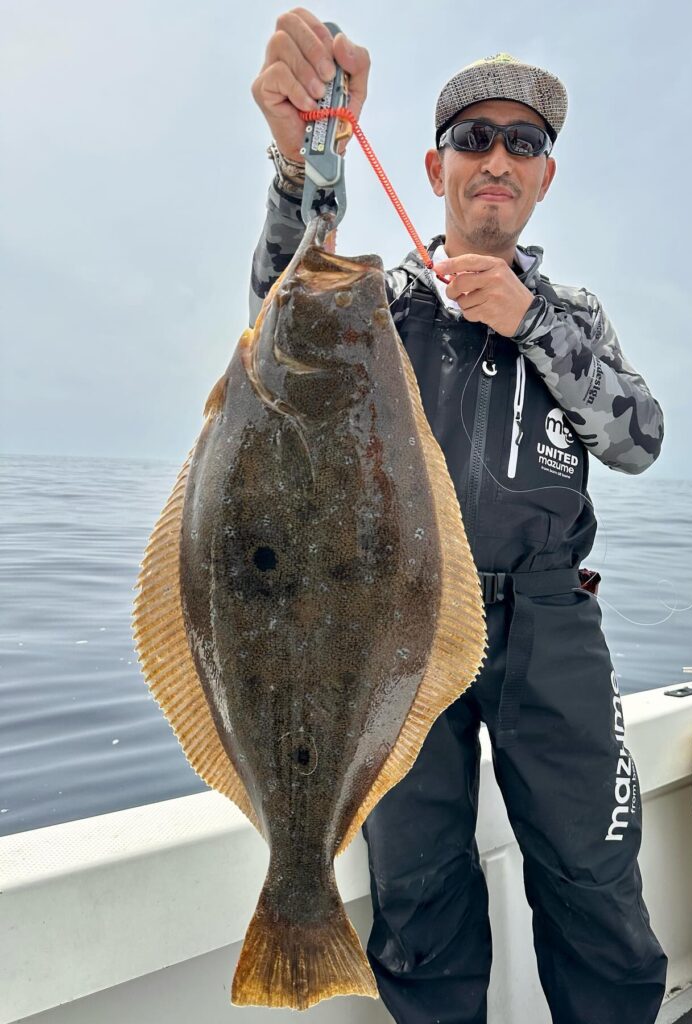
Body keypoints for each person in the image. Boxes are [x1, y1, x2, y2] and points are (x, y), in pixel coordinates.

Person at [248, 10, 668, 1024]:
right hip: (397, 627)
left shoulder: (576, 315)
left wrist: (528, 323)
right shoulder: (380, 305)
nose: (498, 158)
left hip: (552, 627)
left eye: (523, 142)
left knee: (594, 884)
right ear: (436, 165)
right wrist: (307, 162)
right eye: (475, 139)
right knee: (420, 894)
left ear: (543, 178)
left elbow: (640, 437)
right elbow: (279, 310)